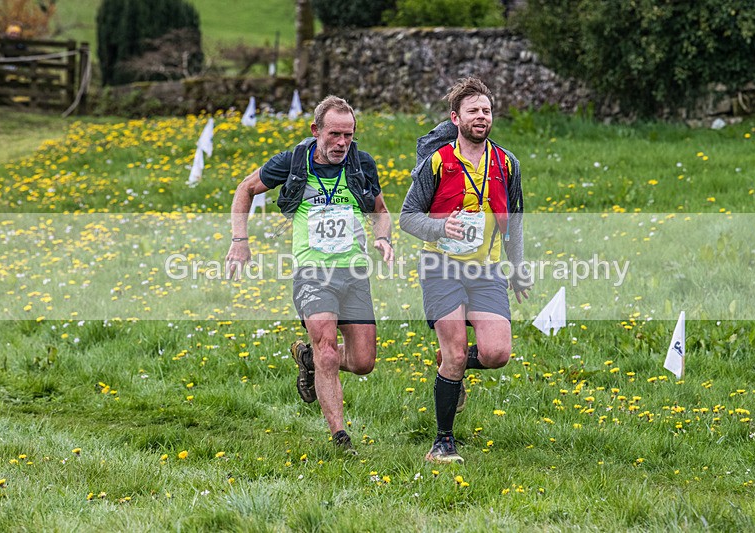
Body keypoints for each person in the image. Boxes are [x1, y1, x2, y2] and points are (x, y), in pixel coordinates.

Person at [226, 95, 393, 454]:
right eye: (335, 134)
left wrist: (383, 237)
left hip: (354, 272)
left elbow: (380, 210)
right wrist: (240, 241)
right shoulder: (292, 162)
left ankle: (308, 360)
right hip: (312, 273)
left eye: (348, 135)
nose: (342, 143)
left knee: (363, 362)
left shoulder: (362, 163)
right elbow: (245, 189)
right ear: (316, 130)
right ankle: (340, 438)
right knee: (327, 351)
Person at [400, 77, 532, 464]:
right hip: (440, 266)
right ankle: (442, 443)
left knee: (497, 353)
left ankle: (448, 366)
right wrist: (441, 227)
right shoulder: (437, 162)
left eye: (486, 111)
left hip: (486, 270)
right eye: (473, 111)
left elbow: (515, 220)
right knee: (456, 354)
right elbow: (408, 217)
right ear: (455, 118)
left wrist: (517, 268)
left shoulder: (506, 163)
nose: (481, 117)